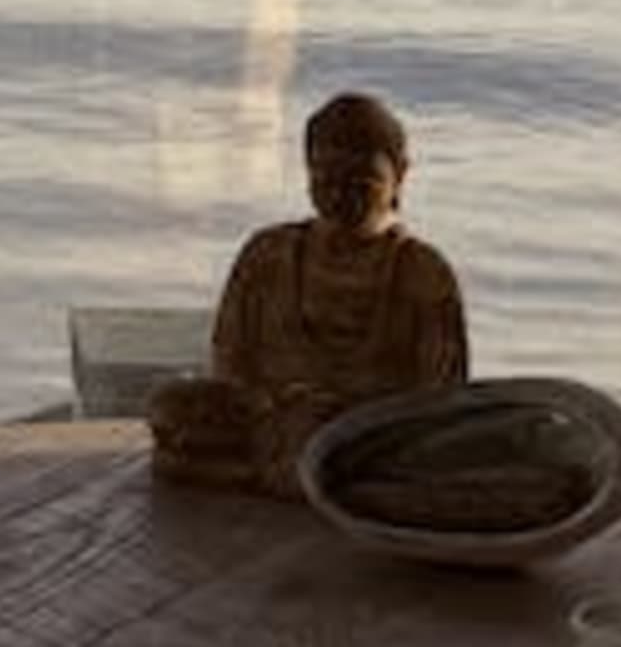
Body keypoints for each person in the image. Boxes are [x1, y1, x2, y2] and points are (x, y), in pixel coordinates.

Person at [146, 90, 470, 492]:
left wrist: (343, 415)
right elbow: (229, 362)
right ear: (307, 171)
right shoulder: (267, 253)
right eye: (326, 179)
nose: (339, 195)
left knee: (434, 456)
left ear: (400, 175)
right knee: (170, 404)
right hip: (272, 426)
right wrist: (276, 406)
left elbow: (442, 399)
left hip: (368, 438)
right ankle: (308, 480)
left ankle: (283, 477)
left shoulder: (423, 272)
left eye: (361, 182)